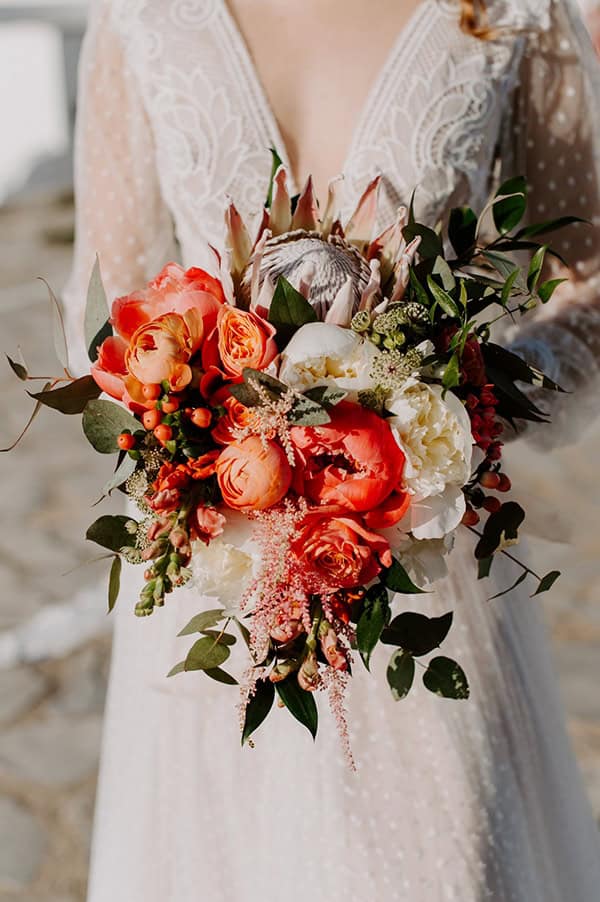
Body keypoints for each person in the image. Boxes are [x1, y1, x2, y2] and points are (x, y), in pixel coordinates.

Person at [63, 1, 600, 899]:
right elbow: (106, 319)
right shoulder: (145, 16)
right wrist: (200, 413)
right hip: (213, 594)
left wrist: (454, 404)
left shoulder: (512, 13)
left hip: (428, 593)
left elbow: (588, 281)